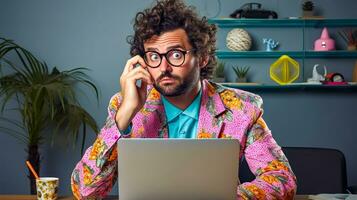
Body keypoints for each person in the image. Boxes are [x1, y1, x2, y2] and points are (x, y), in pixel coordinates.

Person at [71, 0, 297, 199]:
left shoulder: (241, 109)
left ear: (202, 58)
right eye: (153, 56)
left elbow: (282, 179)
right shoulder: (125, 108)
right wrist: (124, 115)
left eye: (176, 54)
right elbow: (85, 192)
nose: (164, 68)